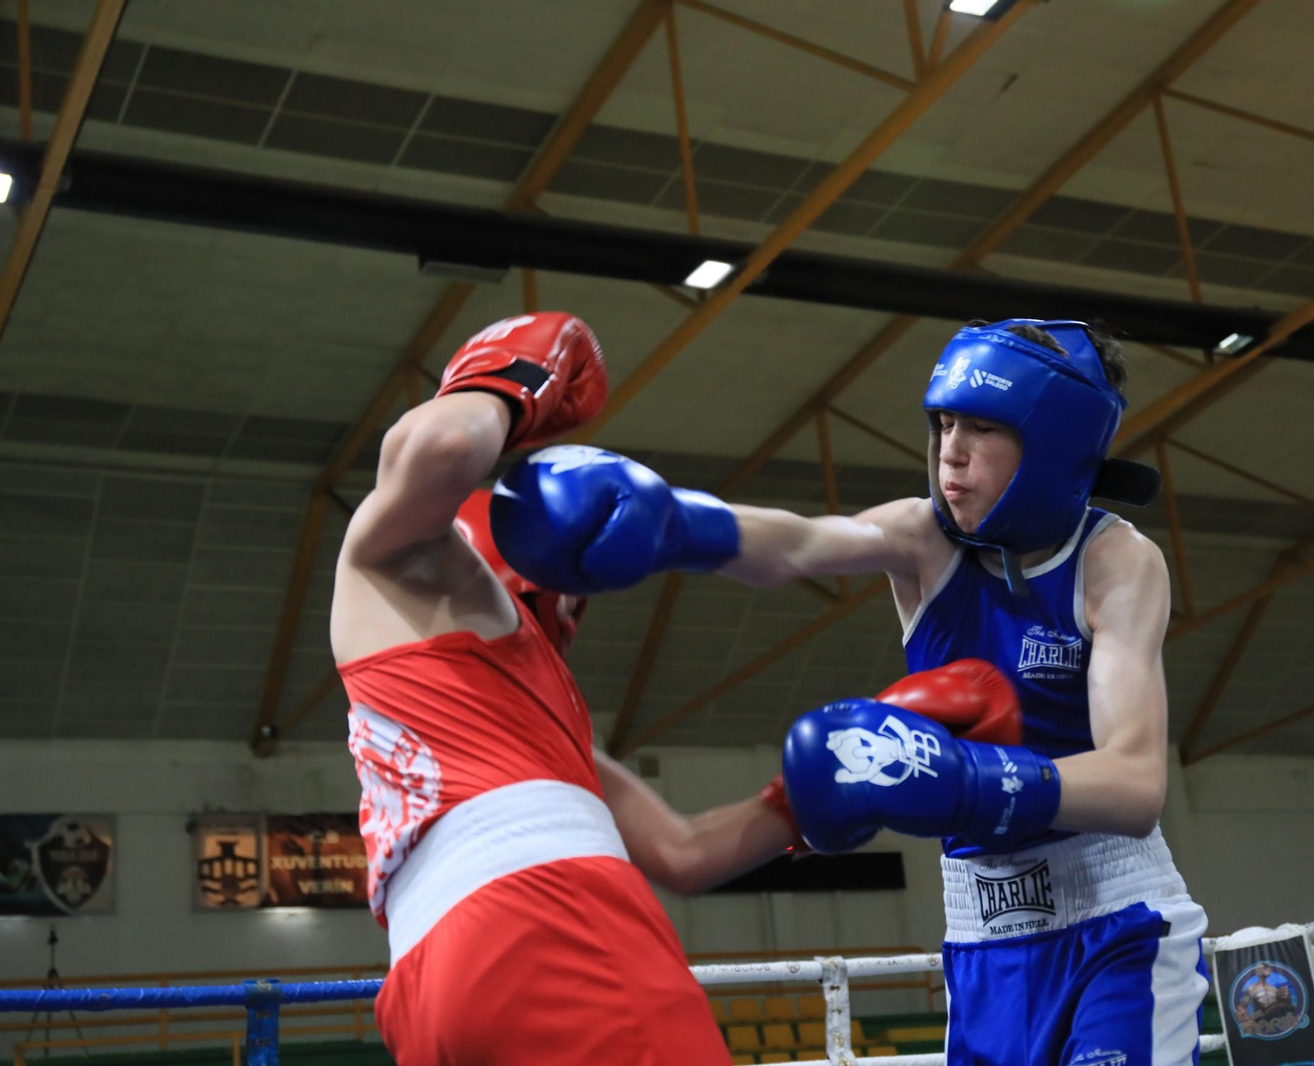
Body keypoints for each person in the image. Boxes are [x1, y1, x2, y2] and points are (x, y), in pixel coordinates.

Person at [489, 318, 1210, 1066]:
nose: (950, 453)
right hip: (982, 937)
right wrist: (673, 523)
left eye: (983, 428)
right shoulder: (924, 539)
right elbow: (800, 543)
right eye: (943, 423)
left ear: (1056, 443)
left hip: (1117, 923)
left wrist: (966, 781)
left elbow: (1135, 783)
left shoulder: (1116, 561)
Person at [331, 311, 803, 1066]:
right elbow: (445, 444)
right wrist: (509, 378)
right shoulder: (412, 576)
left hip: (425, 986)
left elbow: (681, 853)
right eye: (570, 596)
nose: (576, 620)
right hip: (550, 927)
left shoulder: (521, 723)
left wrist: (808, 801)